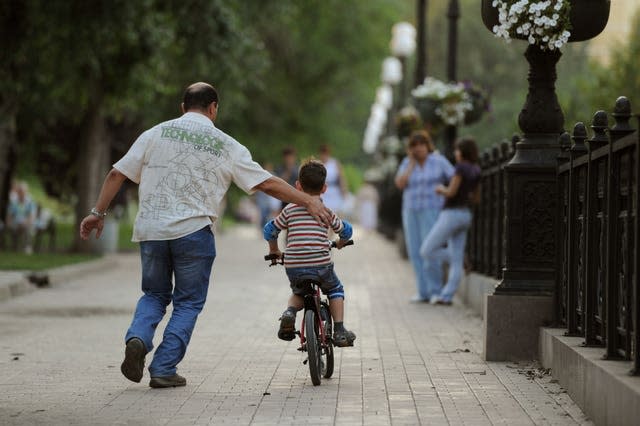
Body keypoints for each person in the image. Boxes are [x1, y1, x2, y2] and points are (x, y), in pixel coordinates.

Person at [79, 82, 332, 389]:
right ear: (214, 108)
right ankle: (163, 368)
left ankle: (138, 338)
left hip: (152, 231)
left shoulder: (154, 133)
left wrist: (98, 212)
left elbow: (117, 173)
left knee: (155, 295)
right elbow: (266, 184)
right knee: (187, 303)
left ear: (182, 107)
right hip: (193, 233)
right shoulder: (226, 144)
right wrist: (307, 200)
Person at [263, 159, 356, 347]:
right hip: (321, 265)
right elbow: (346, 230)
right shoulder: (325, 212)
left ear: (297, 186)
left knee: (299, 292)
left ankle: (290, 312)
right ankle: (339, 330)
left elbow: (269, 230)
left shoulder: (289, 210)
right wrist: (339, 243)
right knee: (335, 289)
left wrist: (274, 251)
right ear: (325, 188)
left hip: (295, 265)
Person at [420, 137, 481, 305]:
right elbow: (476, 198)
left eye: (457, 150)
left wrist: (441, 189)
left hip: (451, 214)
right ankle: (446, 296)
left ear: (462, 152)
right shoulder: (476, 169)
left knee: (427, 250)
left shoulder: (460, 167)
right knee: (455, 258)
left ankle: (459, 259)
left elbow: (451, 191)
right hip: (465, 214)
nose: (455, 153)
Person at [395, 130, 454, 303]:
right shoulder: (407, 162)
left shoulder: (439, 161)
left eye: (422, 144)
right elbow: (399, 183)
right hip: (411, 210)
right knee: (414, 251)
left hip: (432, 210)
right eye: (415, 145)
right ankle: (423, 292)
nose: (419, 148)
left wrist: (446, 192)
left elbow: (454, 178)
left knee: (430, 249)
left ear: (428, 145)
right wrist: (411, 165)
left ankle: (435, 290)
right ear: (411, 149)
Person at [318, 144, 348, 214]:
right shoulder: (318, 163)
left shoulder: (335, 163)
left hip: (334, 192)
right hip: (322, 192)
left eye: (325, 153)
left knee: (335, 212)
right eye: (323, 153)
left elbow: (341, 178)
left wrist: (344, 191)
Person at [7, 182, 36, 254]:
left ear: (26, 192)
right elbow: (9, 215)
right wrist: (10, 223)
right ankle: (15, 247)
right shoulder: (13, 203)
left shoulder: (30, 202)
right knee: (13, 227)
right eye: (19, 191)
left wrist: (25, 222)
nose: (21, 193)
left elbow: (32, 216)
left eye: (23, 191)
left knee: (27, 228)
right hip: (15, 223)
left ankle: (27, 247)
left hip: (26, 223)